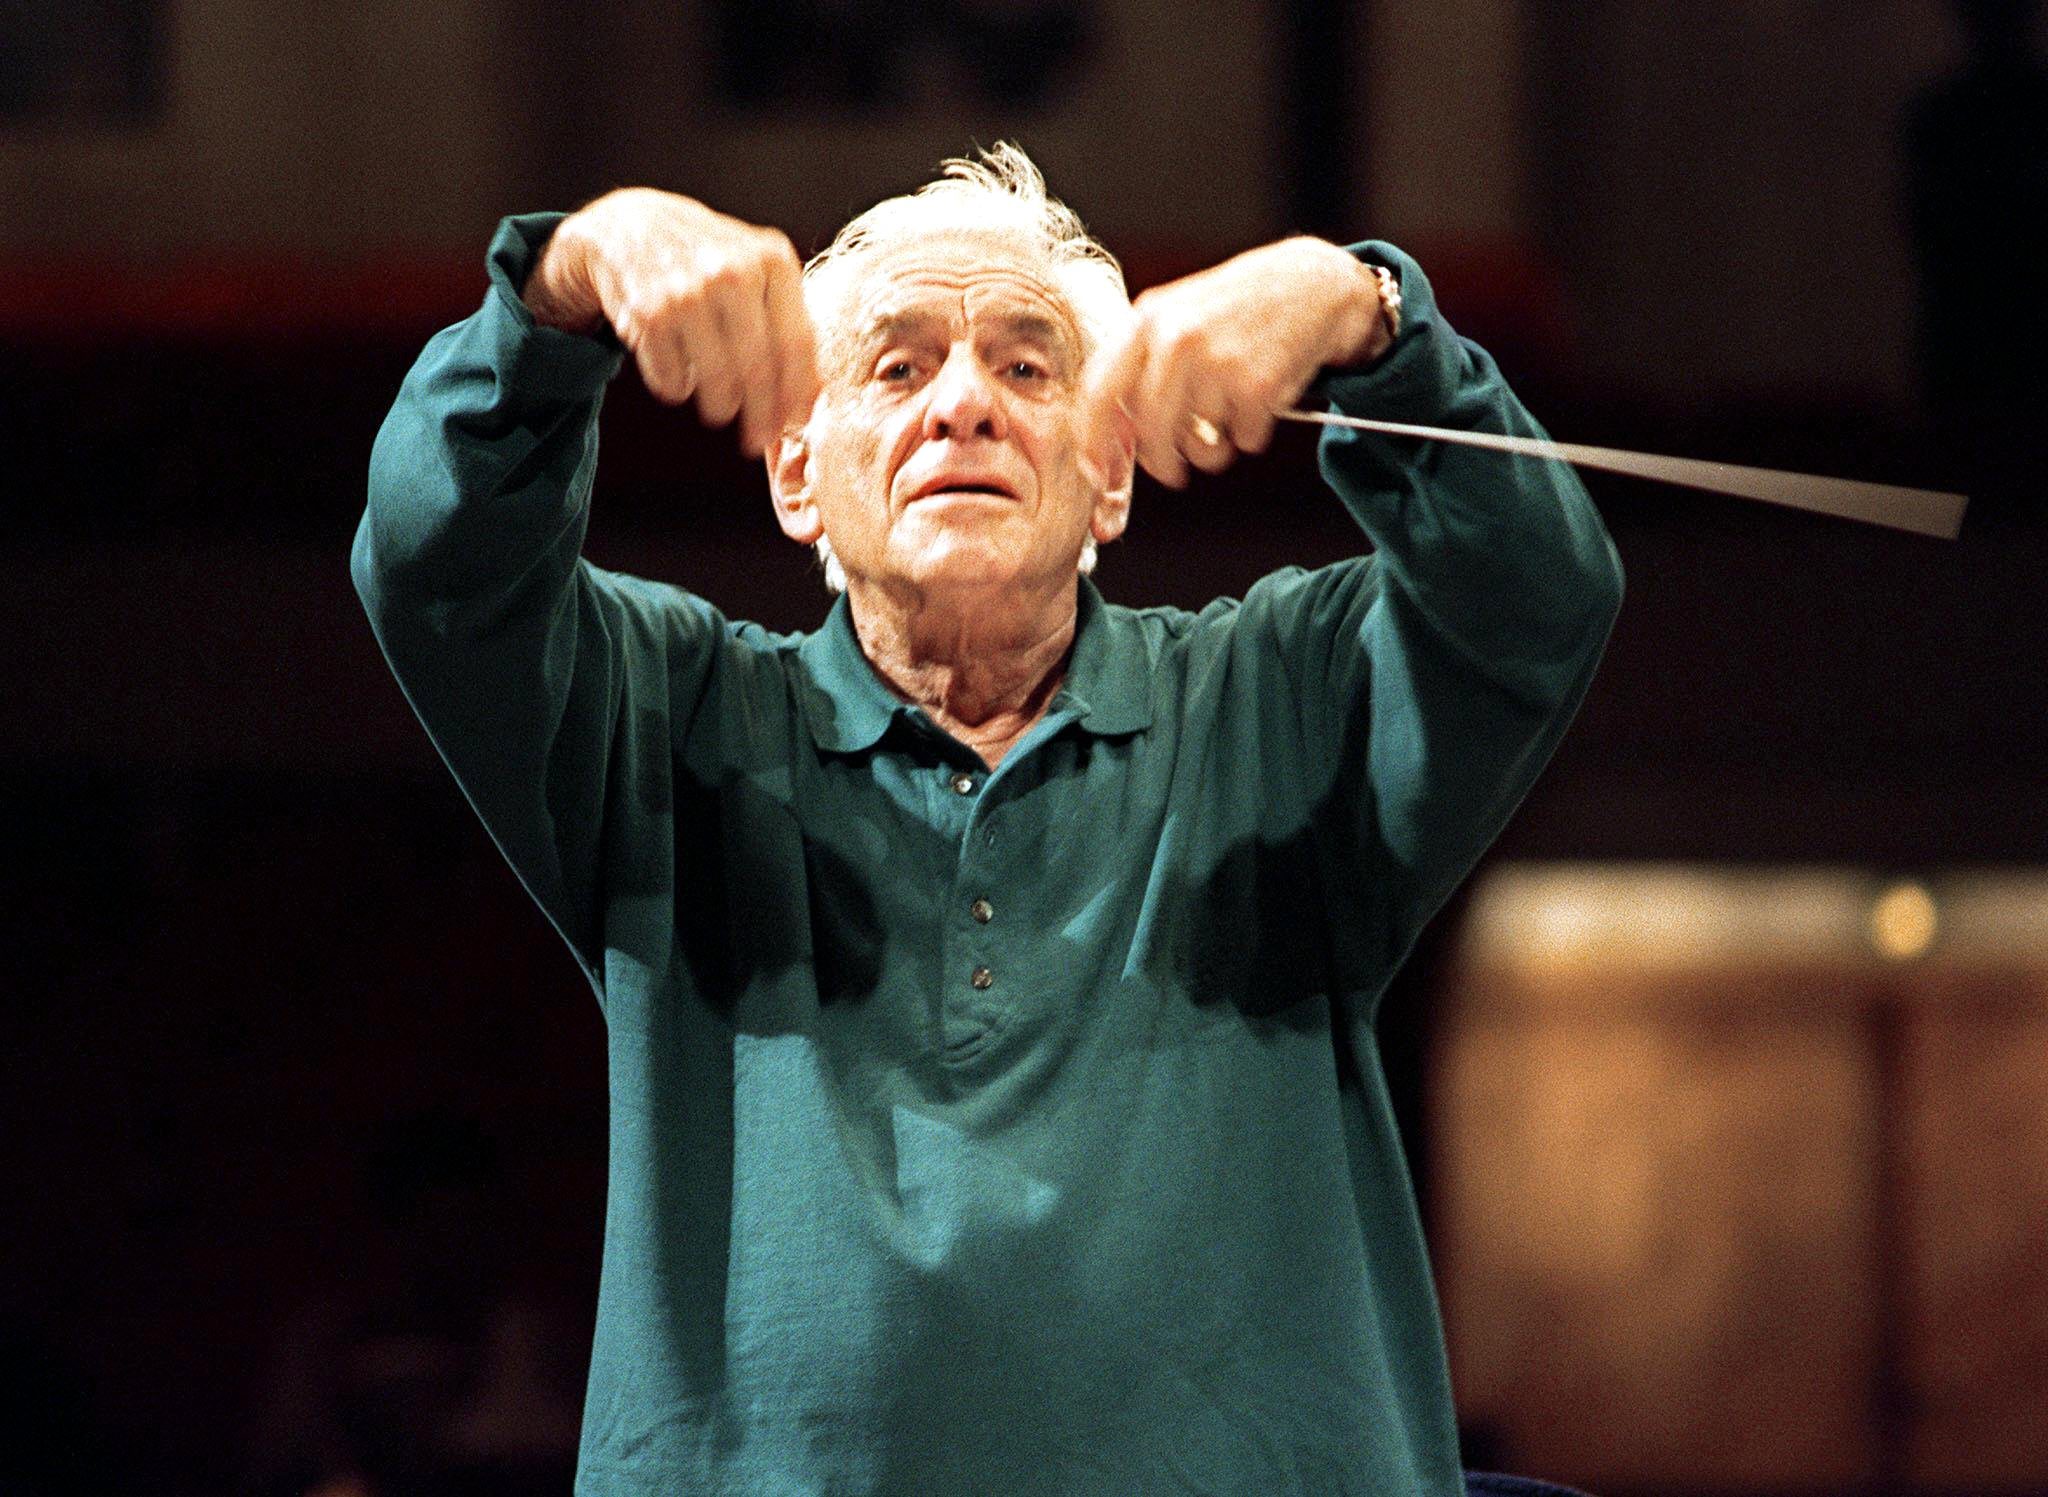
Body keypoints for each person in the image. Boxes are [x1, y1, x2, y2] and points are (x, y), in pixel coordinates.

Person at [352, 143, 1623, 1495]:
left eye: (1028, 368)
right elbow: (437, 563)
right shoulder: (672, 722)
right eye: (896, 370)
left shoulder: (1281, 694)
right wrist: (564, 283)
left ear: (1114, 475)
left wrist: (1365, 311)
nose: (964, 406)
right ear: (796, 474)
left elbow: (1539, 595)